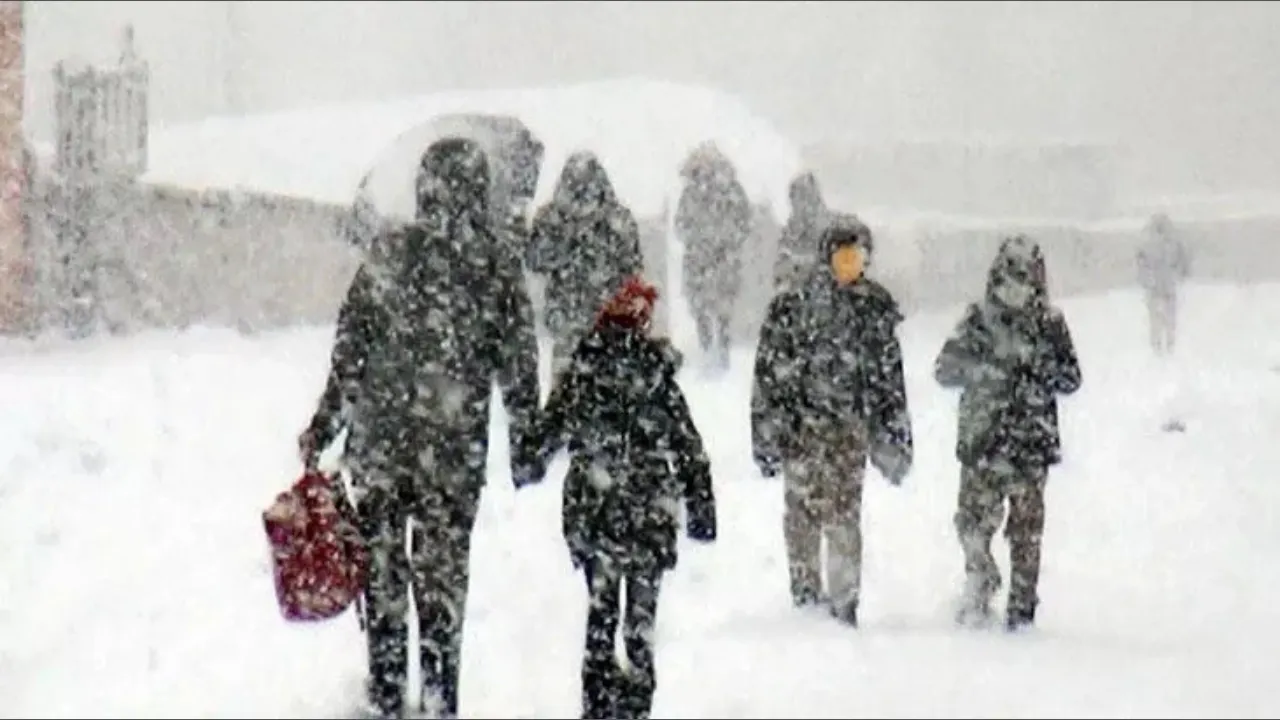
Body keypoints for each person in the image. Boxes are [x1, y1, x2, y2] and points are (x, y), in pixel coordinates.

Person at [298, 137, 542, 719]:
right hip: (452, 454)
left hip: (381, 450)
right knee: (441, 586)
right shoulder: (495, 269)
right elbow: (519, 366)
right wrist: (527, 441)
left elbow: (350, 353)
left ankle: (386, 694)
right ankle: (438, 698)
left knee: (382, 579)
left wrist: (325, 425)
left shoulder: (389, 254)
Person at [520, 275, 717, 720]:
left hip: (596, 513)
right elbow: (688, 446)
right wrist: (701, 508)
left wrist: (528, 461)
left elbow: (546, 435)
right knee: (640, 624)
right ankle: (635, 705)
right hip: (649, 513)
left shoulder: (584, 373)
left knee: (601, 613)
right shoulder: (656, 376)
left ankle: (597, 704)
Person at [751, 214, 913, 628]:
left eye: (857, 259)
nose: (850, 268)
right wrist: (767, 433)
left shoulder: (873, 309)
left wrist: (893, 436)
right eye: (843, 259)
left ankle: (843, 604)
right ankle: (805, 597)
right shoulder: (794, 307)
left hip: (847, 432)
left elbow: (888, 381)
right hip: (802, 429)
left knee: (843, 518)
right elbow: (769, 375)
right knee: (801, 515)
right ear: (826, 260)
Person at [933, 235, 1082, 632]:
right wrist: (987, 370)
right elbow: (945, 368)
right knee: (972, 525)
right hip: (984, 442)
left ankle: (1022, 610)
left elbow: (1070, 378)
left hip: (1030, 444)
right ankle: (980, 584)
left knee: (1026, 534)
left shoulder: (1049, 324)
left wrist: (1034, 370)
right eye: (1012, 275)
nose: (1018, 285)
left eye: (1026, 275)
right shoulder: (978, 319)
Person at [527, 150, 644, 382]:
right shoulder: (554, 218)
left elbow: (632, 268)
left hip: (600, 323)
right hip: (579, 323)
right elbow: (535, 259)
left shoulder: (613, 220)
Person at [675, 142, 753, 370]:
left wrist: (717, 239)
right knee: (707, 307)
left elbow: (743, 221)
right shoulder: (695, 192)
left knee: (717, 307)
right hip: (707, 258)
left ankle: (717, 350)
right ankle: (709, 350)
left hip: (716, 258)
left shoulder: (727, 190)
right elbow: (681, 225)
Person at [1136, 212, 1190, 356]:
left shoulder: (1147, 245)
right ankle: (1167, 345)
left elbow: (1141, 264)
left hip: (1156, 288)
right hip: (1166, 287)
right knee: (1167, 319)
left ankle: (1159, 346)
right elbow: (1182, 263)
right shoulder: (1173, 244)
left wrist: (1145, 280)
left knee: (1156, 319)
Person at [773, 170, 832, 293]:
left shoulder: (832, 230)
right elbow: (780, 272)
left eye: (806, 197)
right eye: (798, 198)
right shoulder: (787, 235)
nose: (802, 205)